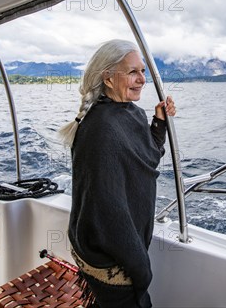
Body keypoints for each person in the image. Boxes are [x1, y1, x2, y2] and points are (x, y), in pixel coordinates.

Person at [59, 40, 176, 308]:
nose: (142, 80)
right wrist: (140, 268)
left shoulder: (131, 113)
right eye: (133, 72)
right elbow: (108, 213)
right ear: (109, 78)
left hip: (121, 248)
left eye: (143, 71)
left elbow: (148, 157)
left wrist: (158, 122)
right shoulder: (100, 131)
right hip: (110, 259)